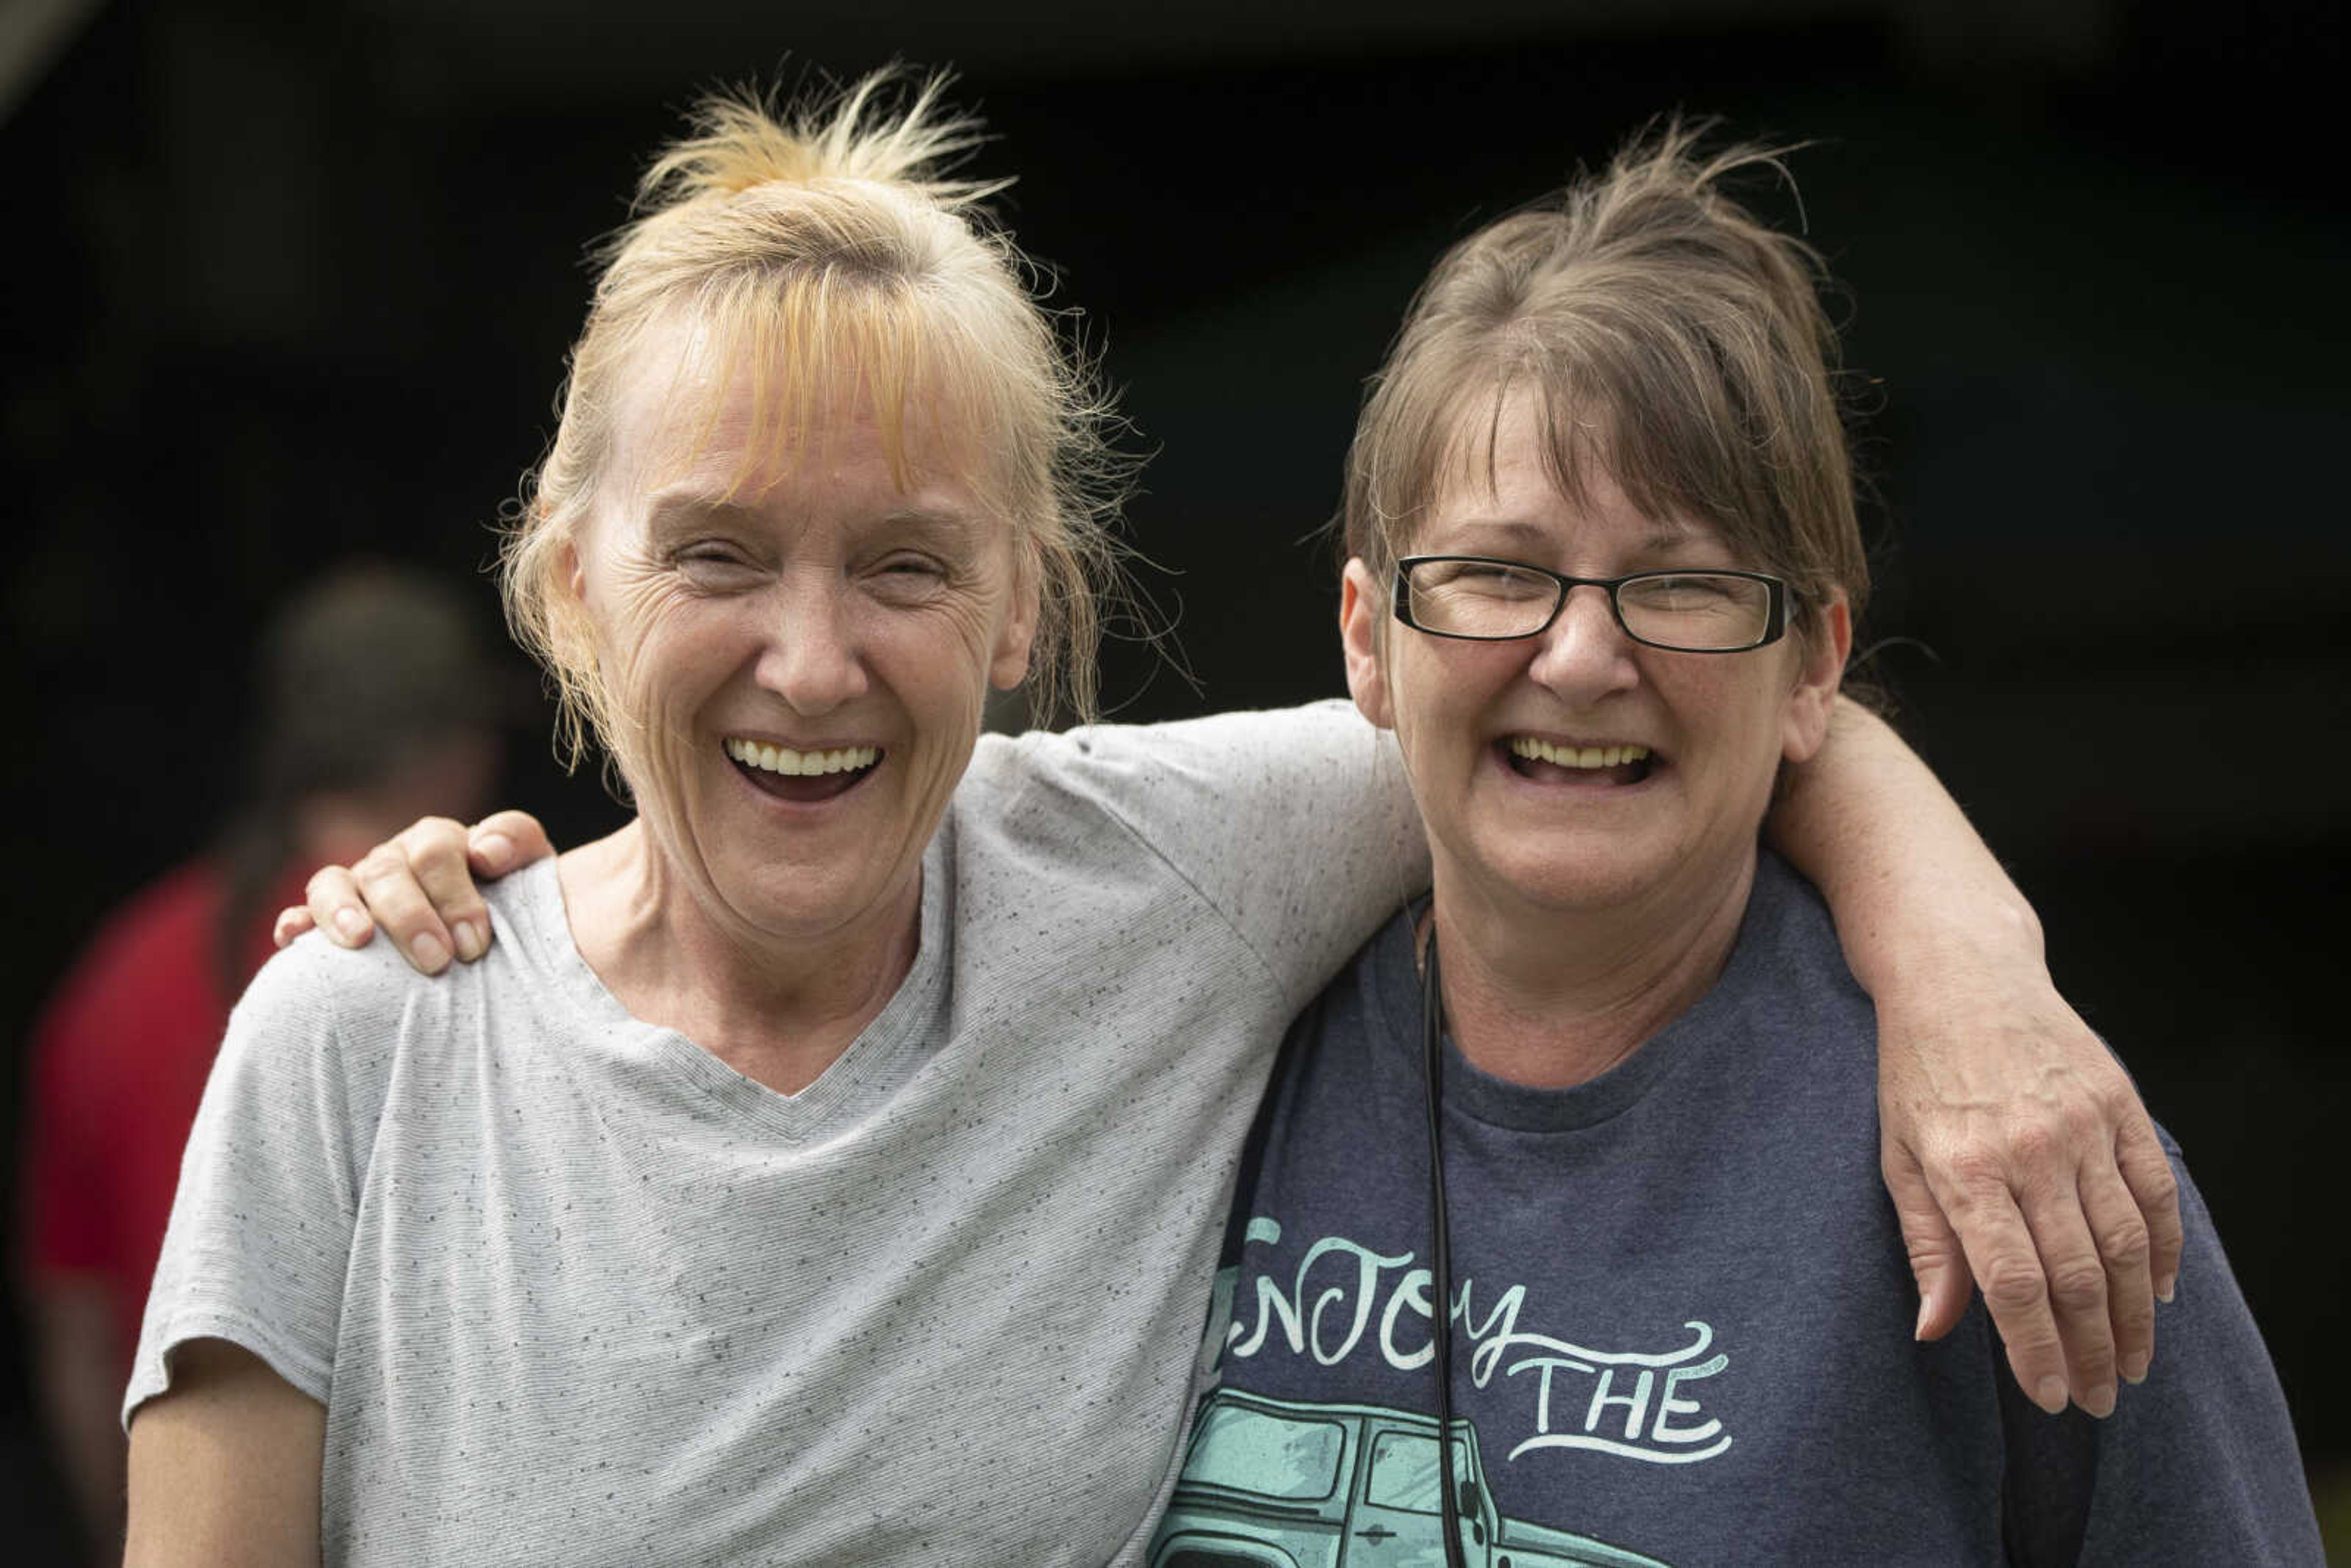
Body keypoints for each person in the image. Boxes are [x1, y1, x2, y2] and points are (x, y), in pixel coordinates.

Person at [130, 74, 2178, 1566]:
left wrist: (1977, 984)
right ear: (569, 580)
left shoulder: (1152, 879)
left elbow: (1644, 708)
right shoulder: (359, 1046)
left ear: (1025, 602)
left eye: (910, 567)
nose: (814, 658)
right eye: (721, 556)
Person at [1147, 129, 2320, 1566]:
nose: (1579, 658)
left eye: (1683, 585)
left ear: (1817, 664)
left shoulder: (2022, 1158)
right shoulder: (1186, 1076)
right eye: (1499, 573)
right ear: (1365, 639)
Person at [20, 563, 504, 1561]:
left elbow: (75, 1324)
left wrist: (132, 1531)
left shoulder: (122, 969)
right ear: (455, 757)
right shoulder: (462, 958)